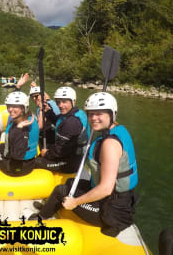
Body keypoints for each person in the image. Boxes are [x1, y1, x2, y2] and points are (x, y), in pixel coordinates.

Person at [31, 92, 138, 237]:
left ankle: (40, 219)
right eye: (91, 114)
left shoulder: (110, 144)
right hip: (117, 199)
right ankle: (50, 208)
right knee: (70, 182)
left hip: (112, 209)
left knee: (61, 191)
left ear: (112, 114)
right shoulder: (118, 130)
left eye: (99, 113)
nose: (94, 118)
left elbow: (106, 189)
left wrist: (75, 202)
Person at [34, 86, 90, 173]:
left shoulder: (72, 122)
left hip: (71, 162)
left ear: (73, 101)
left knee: (36, 162)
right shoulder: (74, 112)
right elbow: (59, 122)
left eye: (64, 102)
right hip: (70, 153)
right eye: (58, 102)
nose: (60, 105)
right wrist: (48, 111)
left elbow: (59, 150)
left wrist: (47, 154)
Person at [0, 91, 39, 176]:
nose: (10, 110)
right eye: (9, 106)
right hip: (28, 162)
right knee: (2, 146)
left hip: (19, 169)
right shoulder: (29, 117)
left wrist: (18, 129)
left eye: (15, 106)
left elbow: (17, 156)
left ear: (23, 108)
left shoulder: (22, 128)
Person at [29, 84, 60, 149]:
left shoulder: (45, 106)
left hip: (50, 139)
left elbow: (40, 127)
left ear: (43, 95)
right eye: (32, 97)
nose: (34, 99)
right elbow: (47, 97)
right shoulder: (49, 102)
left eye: (37, 96)